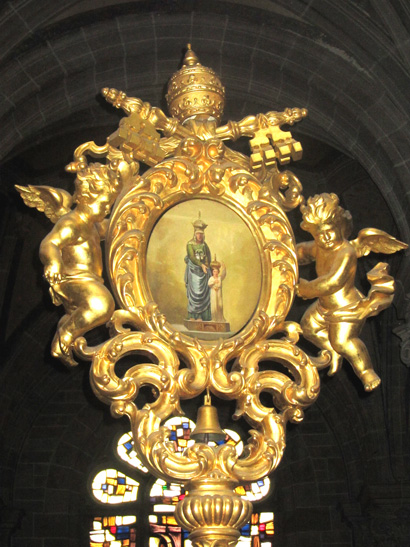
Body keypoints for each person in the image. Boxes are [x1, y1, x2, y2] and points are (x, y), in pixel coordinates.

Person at [296, 193, 406, 392]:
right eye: (318, 235)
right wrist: (287, 254)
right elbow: (303, 251)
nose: (325, 238)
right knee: (307, 327)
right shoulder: (321, 246)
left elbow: (332, 282)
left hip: (347, 309)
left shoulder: (346, 252)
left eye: (329, 231)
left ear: (339, 226)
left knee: (343, 341)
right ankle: (331, 352)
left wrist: (306, 288)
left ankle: (366, 371)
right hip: (324, 307)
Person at [184, 213, 212, 321]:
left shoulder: (205, 246)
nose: (199, 236)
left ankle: (202, 317)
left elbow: (208, 258)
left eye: (201, 234)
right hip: (193, 271)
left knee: (204, 295)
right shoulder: (190, 244)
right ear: (195, 234)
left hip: (203, 273)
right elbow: (191, 256)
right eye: (198, 234)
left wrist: (208, 267)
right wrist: (201, 265)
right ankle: (193, 316)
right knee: (194, 294)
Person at [208, 257, 227, 322]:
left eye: (216, 271)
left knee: (219, 305)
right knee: (214, 306)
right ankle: (214, 319)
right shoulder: (211, 278)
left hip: (218, 293)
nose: (215, 273)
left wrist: (224, 267)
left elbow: (224, 274)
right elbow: (209, 284)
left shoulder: (219, 278)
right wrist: (214, 282)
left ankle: (220, 319)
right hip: (213, 293)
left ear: (218, 272)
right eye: (214, 271)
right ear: (212, 272)